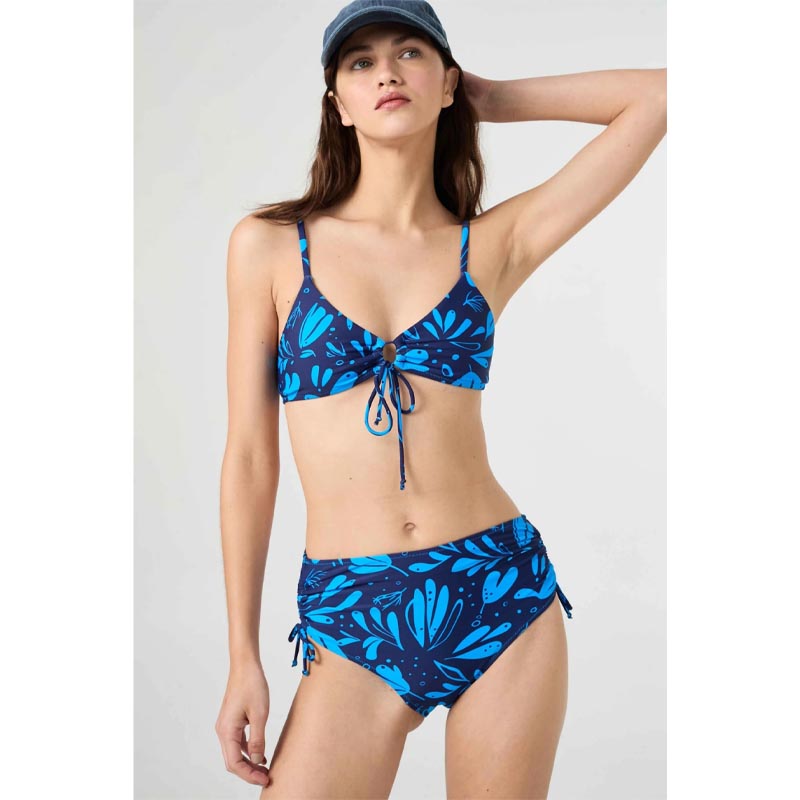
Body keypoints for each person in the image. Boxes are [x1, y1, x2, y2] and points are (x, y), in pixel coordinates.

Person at [215, 1, 666, 796]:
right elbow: (251, 459)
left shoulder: (491, 245)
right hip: (352, 610)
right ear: (337, 103)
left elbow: (661, 97)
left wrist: (493, 98)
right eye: (360, 62)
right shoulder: (271, 247)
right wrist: (243, 656)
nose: (386, 72)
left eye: (410, 54)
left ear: (447, 82)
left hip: (499, 592)